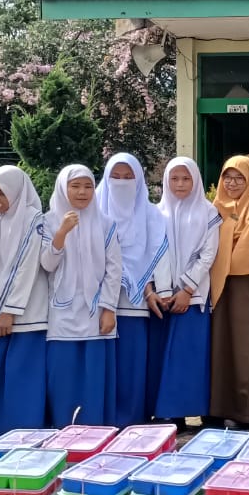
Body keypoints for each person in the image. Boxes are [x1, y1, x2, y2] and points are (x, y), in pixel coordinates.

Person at [41, 165, 122, 427]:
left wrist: (109, 307)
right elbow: (46, 264)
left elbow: (114, 268)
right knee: (63, 376)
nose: (82, 192)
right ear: (63, 188)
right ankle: (64, 431)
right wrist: (62, 232)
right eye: (75, 186)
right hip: (61, 313)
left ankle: (97, 432)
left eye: (88, 186)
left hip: (97, 312)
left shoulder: (106, 222)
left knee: (94, 376)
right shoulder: (49, 221)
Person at [0, 165, 48, 442]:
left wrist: (10, 310)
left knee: (22, 378)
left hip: (25, 316)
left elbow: (28, 267)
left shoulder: (33, 219)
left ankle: (26, 438)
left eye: (1, 192)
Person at [96, 152, 169, 426]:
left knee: (131, 362)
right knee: (104, 364)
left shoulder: (151, 215)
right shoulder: (95, 210)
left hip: (137, 301)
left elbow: (156, 255)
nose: (122, 183)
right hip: (100, 301)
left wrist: (148, 288)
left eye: (129, 178)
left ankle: (133, 419)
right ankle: (103, 419)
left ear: (139, 181)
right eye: (115, 177)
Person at [152, 157, 220, 429]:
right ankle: (171, 412)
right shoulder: (156, 213)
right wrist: (166, 291)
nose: (180, 184)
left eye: (186, 178)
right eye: (174, 178)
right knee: (165, 357)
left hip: (194, 298)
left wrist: (186, 290)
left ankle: (197, 408)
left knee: (190, 356)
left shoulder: (208, 212)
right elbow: (154, 253)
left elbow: (208, 254)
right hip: (163, 299)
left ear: (196, 180)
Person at [209, 155, 249, 429]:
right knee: (219, 345)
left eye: (240, 177)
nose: (233, 183)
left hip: (247, 282)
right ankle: (216, 408)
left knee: (245, 345)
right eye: (228, 176)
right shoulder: (213, 208)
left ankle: (246, 409)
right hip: (217, 282)